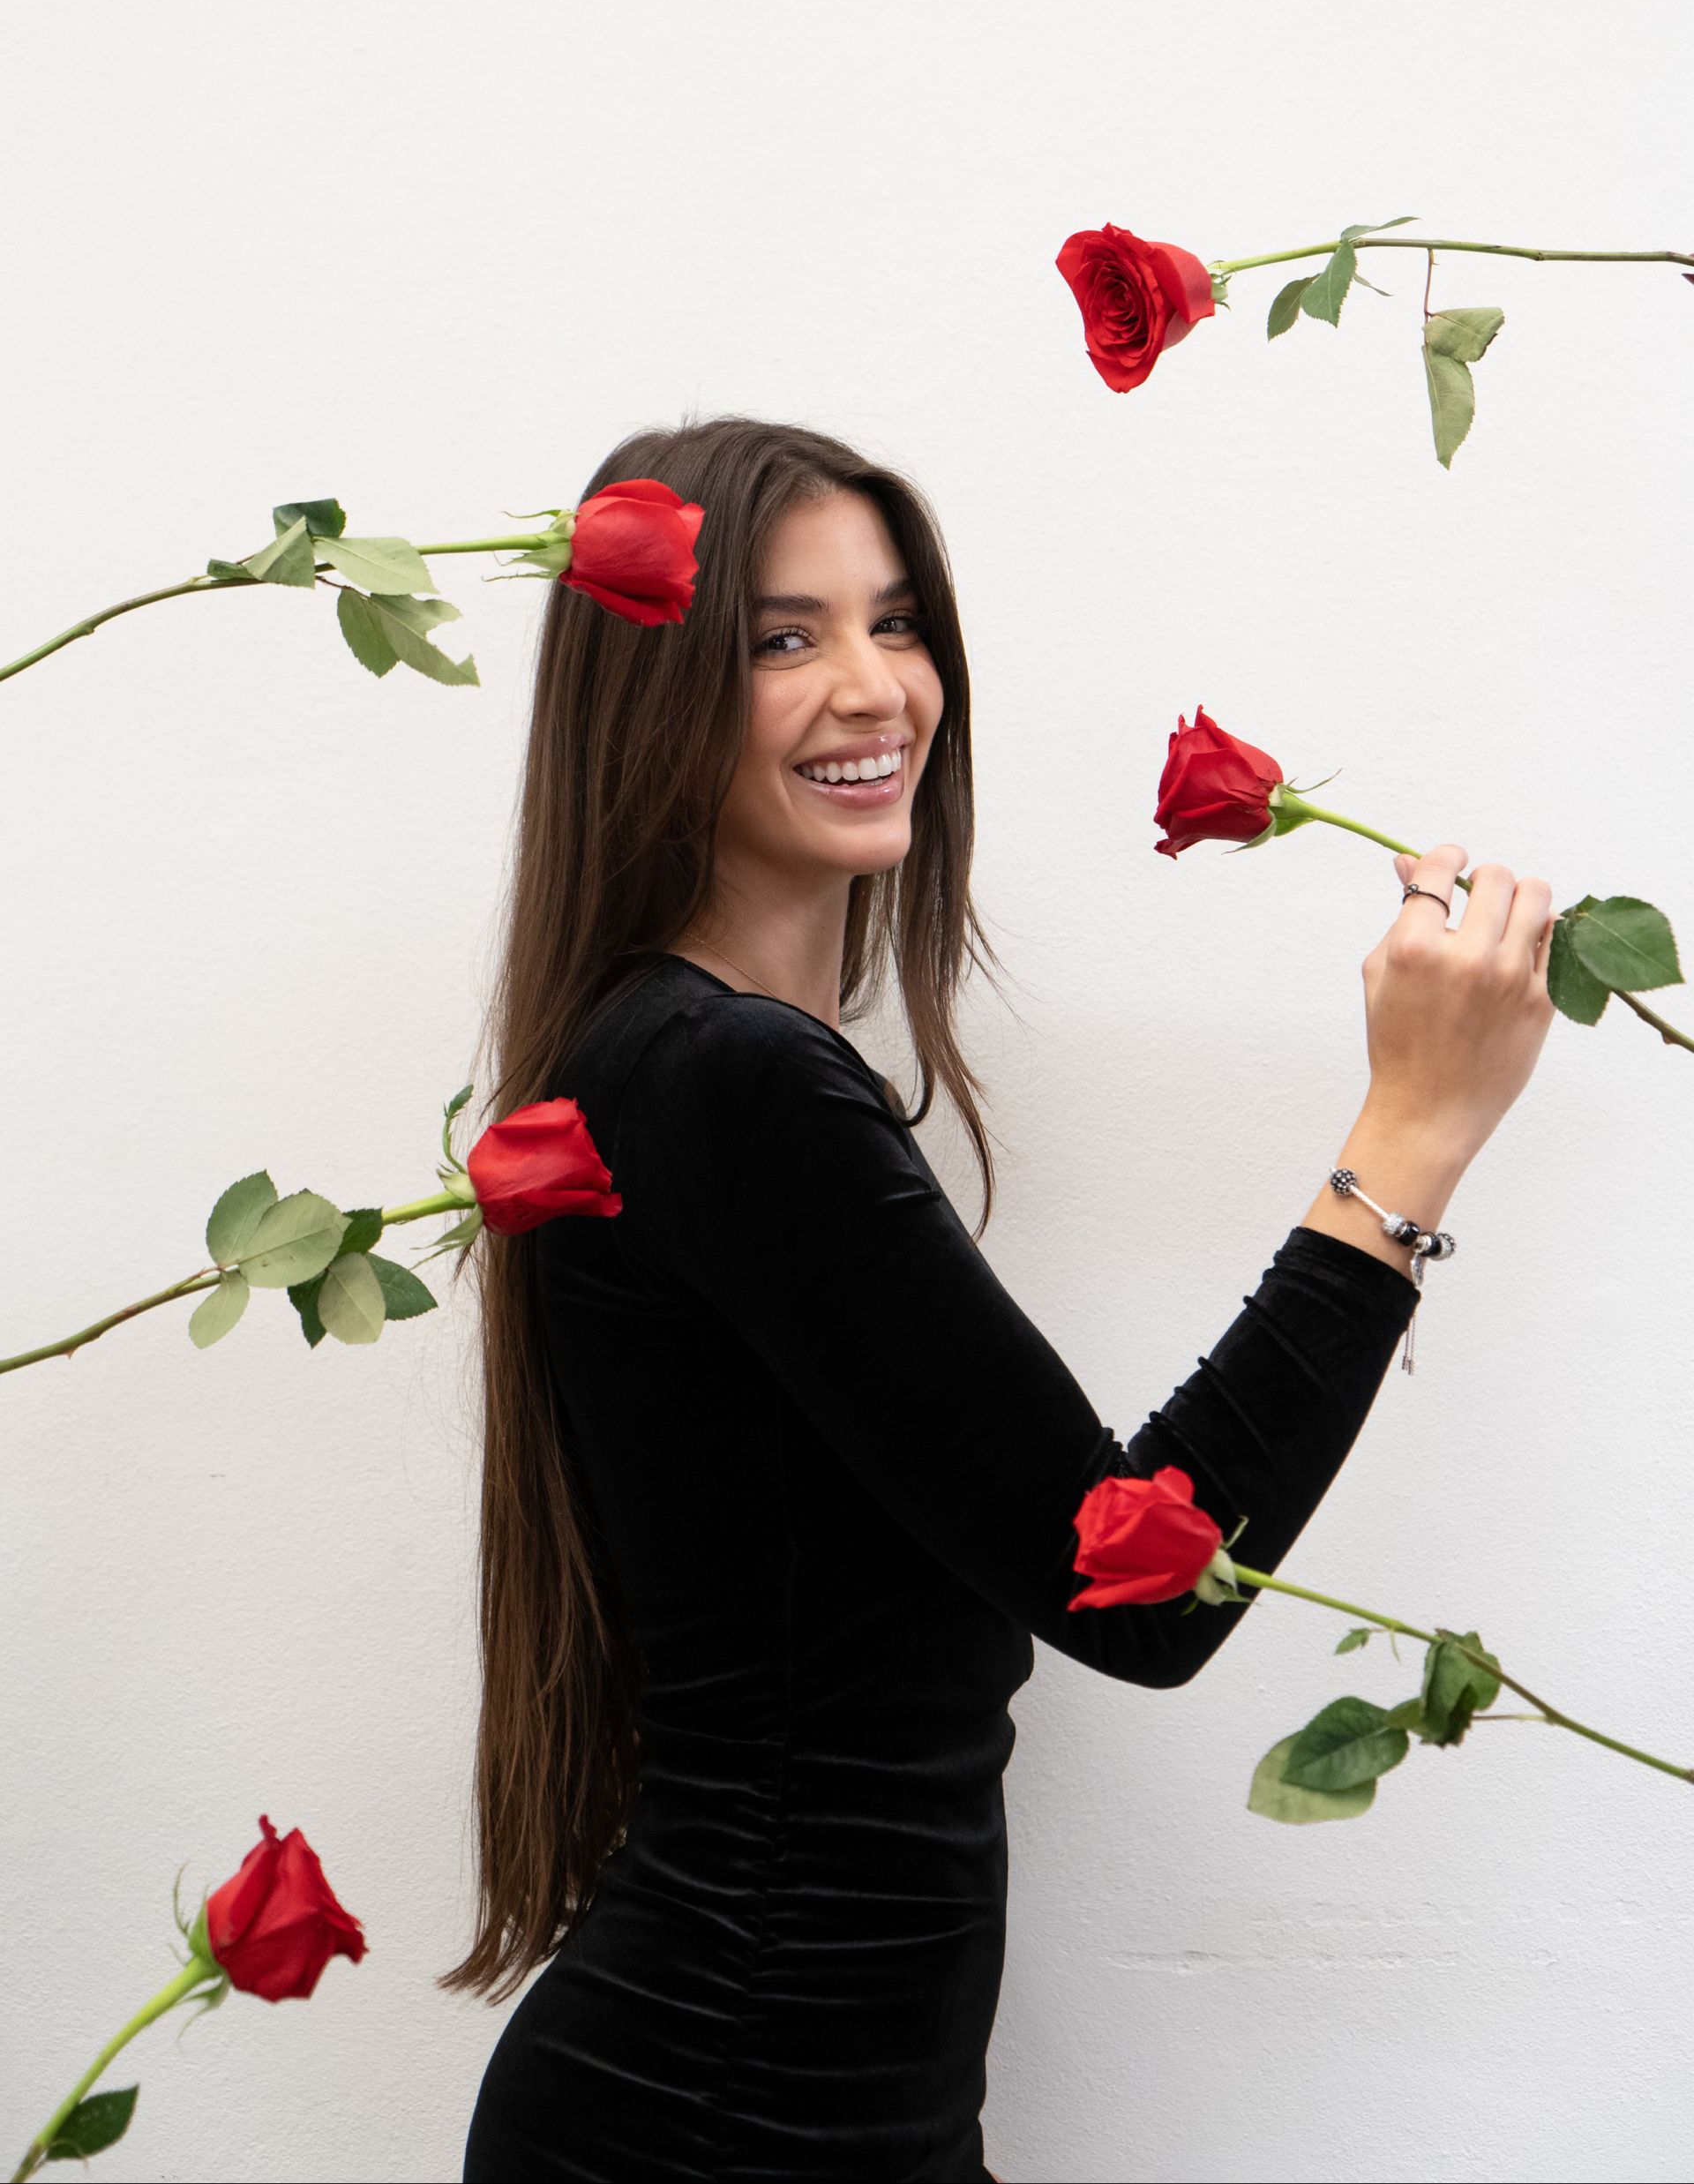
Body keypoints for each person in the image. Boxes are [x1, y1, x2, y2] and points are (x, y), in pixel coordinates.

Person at [451, 417, 1555, 2183]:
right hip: (722, 2122)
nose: (877, 686)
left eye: (898, 623)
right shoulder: (728, 1081)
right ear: (645, 693)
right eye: (782, 638)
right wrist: (1408, 1138)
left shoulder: (677, 1070)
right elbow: (1141, 1586)